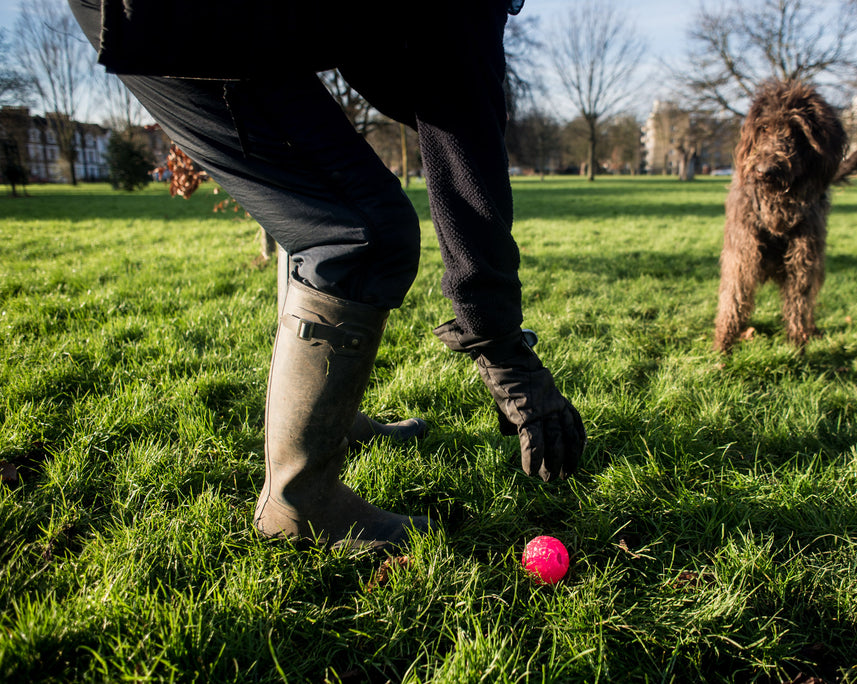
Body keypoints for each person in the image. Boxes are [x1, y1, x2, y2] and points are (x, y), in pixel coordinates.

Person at [68, 0, 586, 550]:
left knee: (331, 214)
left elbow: (436, 98)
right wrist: (502, 347)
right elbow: (458, 106)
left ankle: (332, 421)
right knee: (359, 233)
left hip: (208, 25)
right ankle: (300, 501)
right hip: (169, 16)